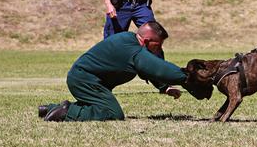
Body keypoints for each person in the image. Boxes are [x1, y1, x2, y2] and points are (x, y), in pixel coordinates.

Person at [38, 22, 186, 122]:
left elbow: (147, 69)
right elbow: (157, 67)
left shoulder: (129, 41)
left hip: (84, 78)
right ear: (147, 40)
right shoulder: (132, 48)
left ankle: (48, 109)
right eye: (158, 45)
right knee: (113, 113)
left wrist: (164, 87)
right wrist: (186, 77)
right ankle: (66, 111)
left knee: (99, 107)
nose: (159, 50)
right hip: (84, 80)